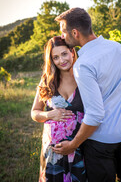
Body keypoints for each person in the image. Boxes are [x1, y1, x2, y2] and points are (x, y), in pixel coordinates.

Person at [53, 8, 121, 182]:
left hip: (101, 141)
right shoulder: (118, 47)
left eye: (63, 31)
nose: (62, 37)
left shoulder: (83, 65)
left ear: (75, 33)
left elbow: (95, 114)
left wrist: (73, 145)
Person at [31, 36, 86, 182]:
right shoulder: (47, 80)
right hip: (53, 154)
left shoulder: (84, 77)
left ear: (72, 52)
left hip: (80, 147)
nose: (61, 60)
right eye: (55, 57)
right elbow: (34, 113)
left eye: (64, 54)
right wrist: (49, 114)